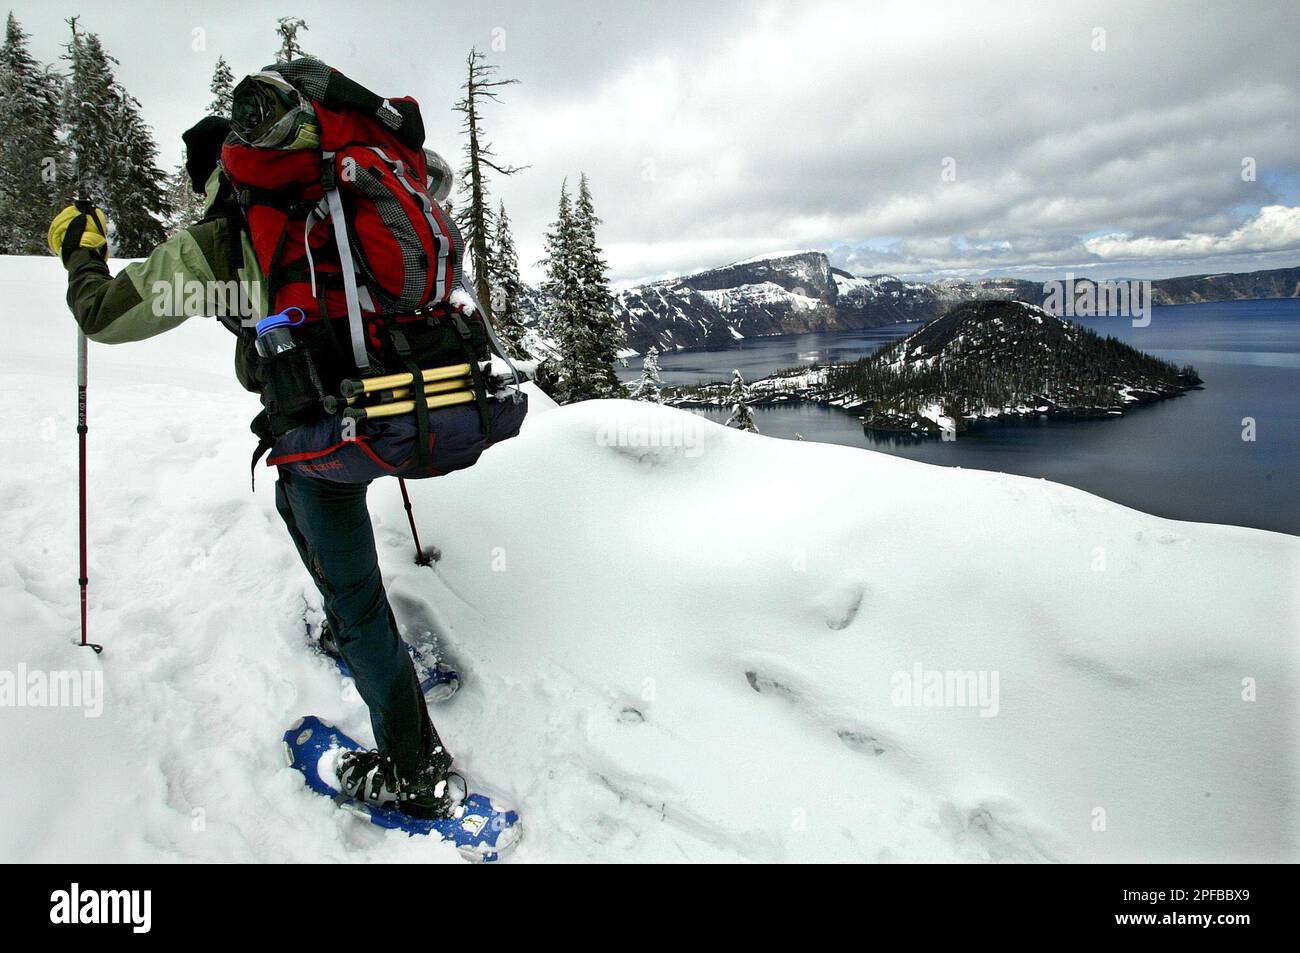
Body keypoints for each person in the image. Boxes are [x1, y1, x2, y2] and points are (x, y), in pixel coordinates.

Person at [49, 114, 458, 819]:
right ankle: (354, 630)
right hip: (402, 406)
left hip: (323, 435)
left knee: (345, 573)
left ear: (211, 171)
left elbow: (107, 316)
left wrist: (82, 257)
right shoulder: (341, 195)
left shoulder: (224, 238)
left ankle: (415, 772)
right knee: (299, 508)